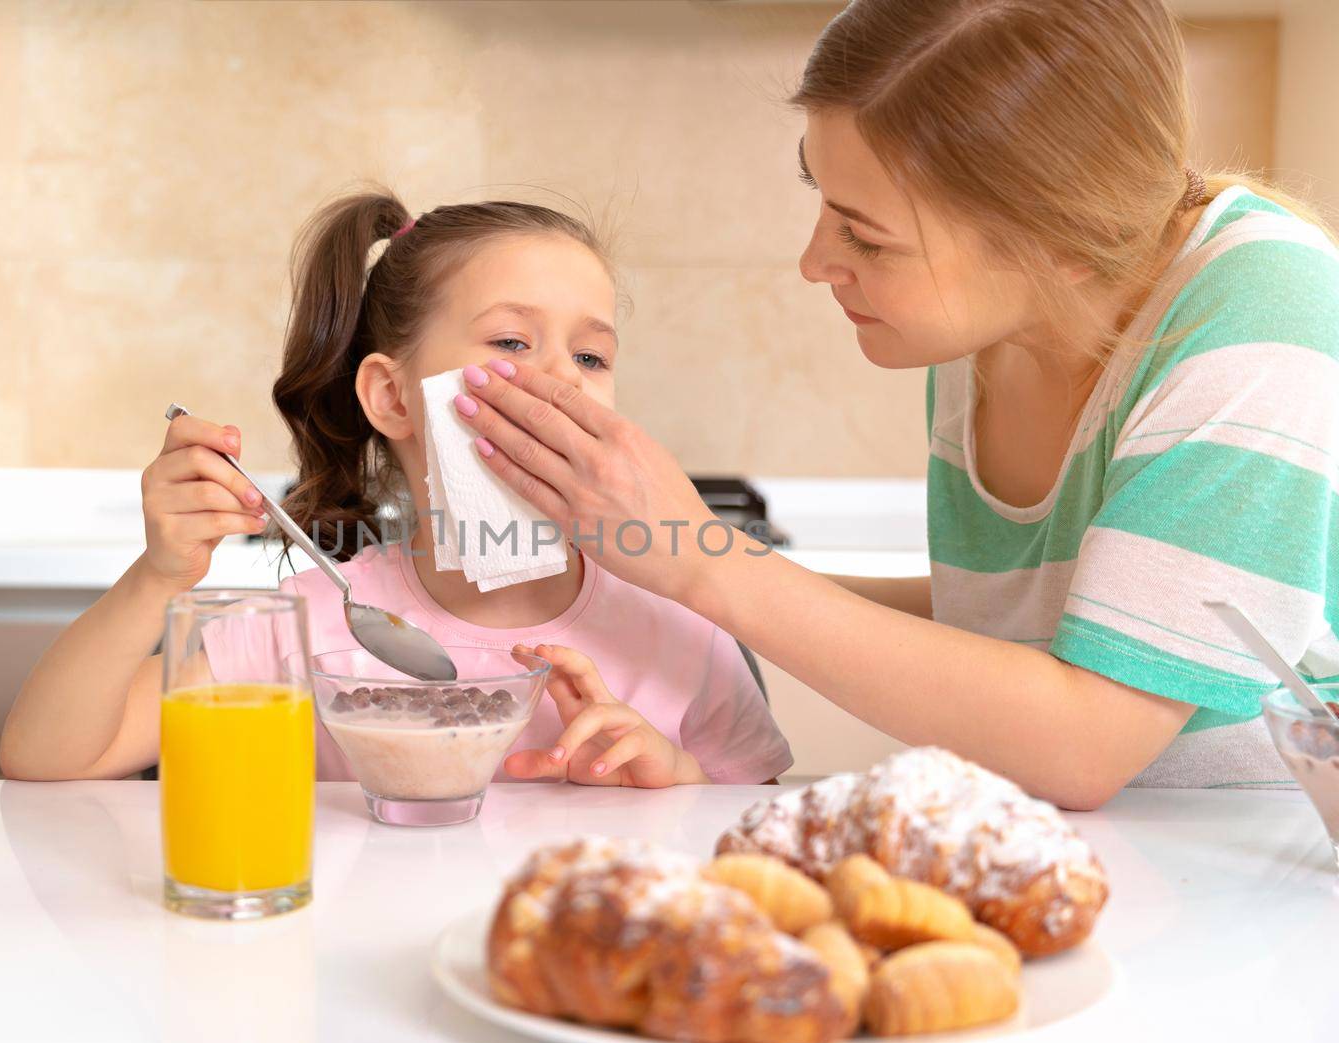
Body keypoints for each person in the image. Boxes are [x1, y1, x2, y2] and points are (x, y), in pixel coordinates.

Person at [449, 0, 1339, 808]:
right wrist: (649, 566)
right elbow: (1007, 612)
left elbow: (1088, 742)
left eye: (867, 237)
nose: (815, 262)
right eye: (823, 201)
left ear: (1055, 243)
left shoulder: (1268, 307)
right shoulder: (989, 324)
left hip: (1249, 879)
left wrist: (701, 561)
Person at [0, 191, 792, 788]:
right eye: (513, 341)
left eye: (591, 357)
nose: (563, 381)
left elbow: (760, 826)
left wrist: (678, 782)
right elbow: (51, 758)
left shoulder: (681, 620)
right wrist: (158, 578)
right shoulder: (312, 625)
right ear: (392, 397)